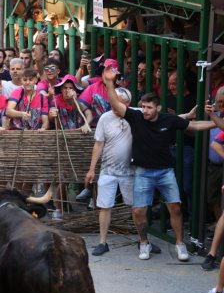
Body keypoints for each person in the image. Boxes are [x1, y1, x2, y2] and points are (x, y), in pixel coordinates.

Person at [106, 81, 224, 261]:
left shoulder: (168, 119)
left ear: (158, 108)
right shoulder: (135, 117)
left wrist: (217, 124)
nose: (145, 110)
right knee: (138, 211)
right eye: (143, 107)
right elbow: (115, 103)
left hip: (165, 172)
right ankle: (144, 242)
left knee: (175, 208)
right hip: (142, 171)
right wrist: (108, 82)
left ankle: (180, 244)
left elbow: (195, 126)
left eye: (149, 107)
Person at [84, 87, 134, 256]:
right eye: (113, 100)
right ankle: (102, 242)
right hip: (108, 170)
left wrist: (185, 117)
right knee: (104, 206)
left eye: (119, 101)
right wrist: (92, 169)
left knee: (136, 206)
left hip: (130, 171)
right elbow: (98, 144)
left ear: (128, 104)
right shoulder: (105, 118)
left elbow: (159, 116)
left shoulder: (136, 115)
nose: (114, 104)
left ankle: (144, 240)